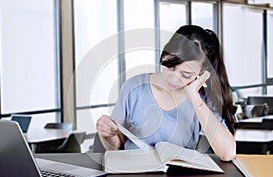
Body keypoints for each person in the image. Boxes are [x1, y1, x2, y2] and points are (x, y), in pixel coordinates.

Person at [96, 25, 236, 161]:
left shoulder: (202, 99)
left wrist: (194, 95)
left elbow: (227, 153)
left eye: (186, 74)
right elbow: (115, 147)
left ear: (202, 74)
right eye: (169, 66)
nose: (174, 77)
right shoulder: (134, 87)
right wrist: (106, 134)